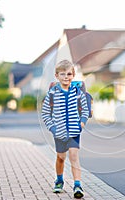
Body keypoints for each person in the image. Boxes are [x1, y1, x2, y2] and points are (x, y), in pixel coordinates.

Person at [41, 59, 89, 198]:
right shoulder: (52, 93)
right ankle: (59, 180)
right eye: (62, 74)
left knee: (74, 156)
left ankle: (77, 185)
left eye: (69, 74)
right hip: (59, 132)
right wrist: (53, 128)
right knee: (61, 157)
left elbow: (85, 109)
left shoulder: (77, 92)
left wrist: (82, 123)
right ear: (56, 76)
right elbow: (45, 113)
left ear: (73, 75)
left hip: (74, 130)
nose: (66, 77)